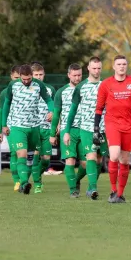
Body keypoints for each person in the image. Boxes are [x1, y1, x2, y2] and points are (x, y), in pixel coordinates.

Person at [95, 55, 131, 203]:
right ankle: (113, 191)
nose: (121, 66)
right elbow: (99, 108)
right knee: (114, 155)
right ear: (113, 67)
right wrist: (96, 127)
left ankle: (120, 194)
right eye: (119, 64)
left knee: (125, 160)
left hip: (129, 125)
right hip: (112, 123)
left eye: (124, 64)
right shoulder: (106, 84)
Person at [1, 64, 54, 194]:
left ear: (31, 75)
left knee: (31, 158)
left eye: (28, 79)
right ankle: (24, 183)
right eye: (23, 79)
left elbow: (48, 100)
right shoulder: (13, 86)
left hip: (34, 127)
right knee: (21, 154)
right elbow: (6, 105)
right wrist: (4, 124)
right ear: (20, 76)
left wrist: (51, 111)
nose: (26, 81)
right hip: (18, 126)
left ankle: (26, 182)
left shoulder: (38, 85)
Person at [64, 57, 106, 200]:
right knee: (91, 156)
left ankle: (89, 187)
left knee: (99, 159)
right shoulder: (80, 87)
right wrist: (67, 131)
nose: (97, 70)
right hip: (87, 128)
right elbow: (73, 110)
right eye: (94, 68)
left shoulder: (105, 85)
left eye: (99, 68)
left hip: (103, 128)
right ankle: (94, 189)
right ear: (88, 68)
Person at [50, 64, 83, 198]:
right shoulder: (61, 92)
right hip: (67, 130)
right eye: (74, 75)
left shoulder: (87, 89)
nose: (77, 78)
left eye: (79, 75)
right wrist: (53, 133)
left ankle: (76, 180)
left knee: (87, 163)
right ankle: (73, 190)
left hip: (85, 129)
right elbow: (56, 113)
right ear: (68, 75)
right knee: (70, 160)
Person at [32, 63, 58, 186]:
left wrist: (54, 118)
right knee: (35, 155)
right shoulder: (27, 87)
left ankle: (37, 175)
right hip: (33, 128)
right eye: (36, 75)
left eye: (40, 74)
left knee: (46, 159)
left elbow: (56, 108)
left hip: (47, 128)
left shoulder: (50, 89)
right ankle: (34, 182)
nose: (38, 77)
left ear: (44, 75)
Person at [0, 65, 21, 190]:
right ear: (11, 77)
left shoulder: (29, 89)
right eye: (15, 77)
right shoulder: (6, 92)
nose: (17, 80)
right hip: (11, 126)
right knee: (15, 153)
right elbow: (0, 111)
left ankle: (27, 179)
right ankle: (17, 180)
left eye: (19, 77)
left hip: (27, 126)